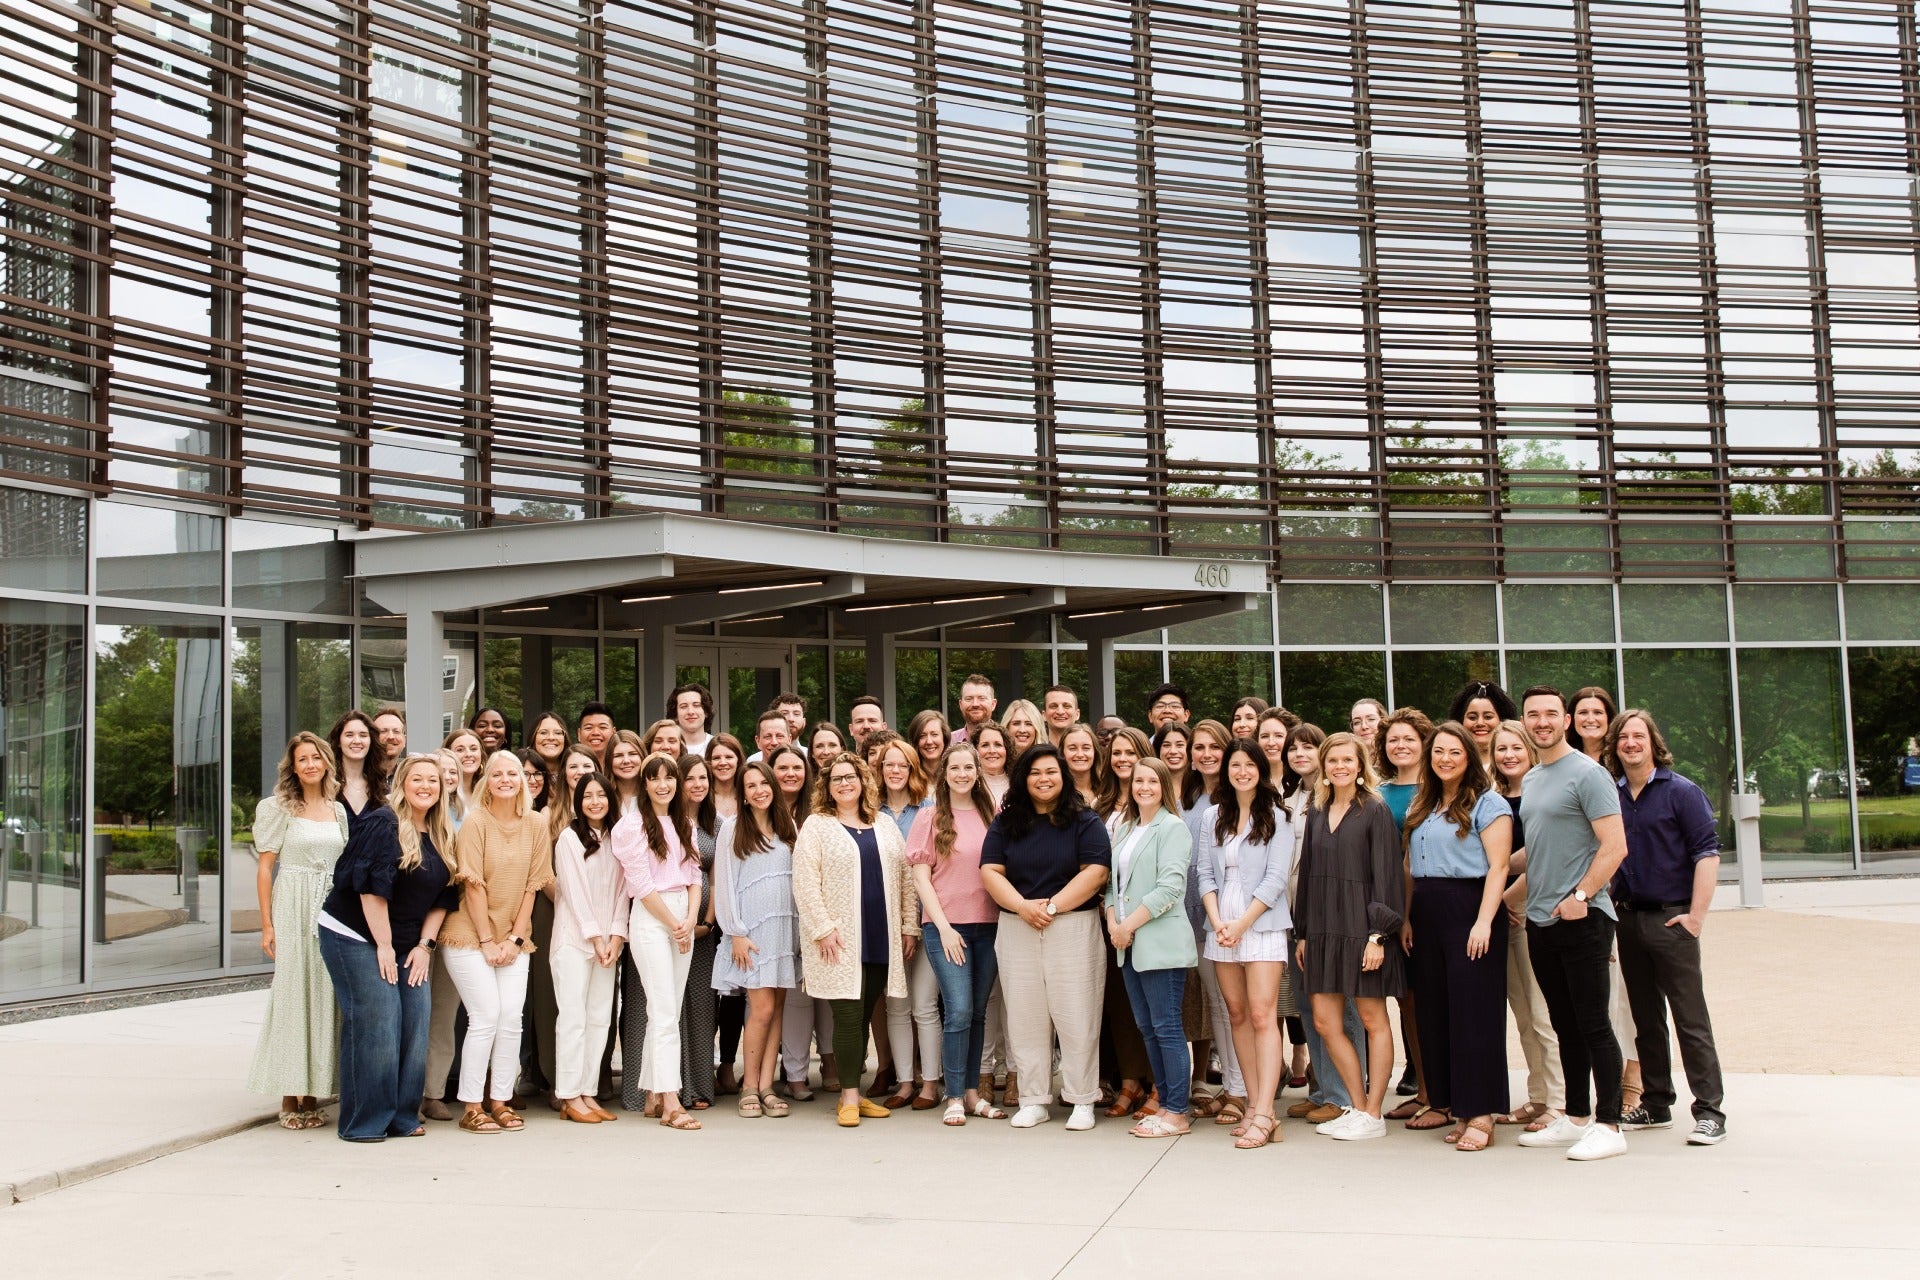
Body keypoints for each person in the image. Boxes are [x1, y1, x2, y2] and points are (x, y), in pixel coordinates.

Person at [1510, 686, 1631, 1161]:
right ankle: (1575, 1118)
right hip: (1540, 920)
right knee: (1564, 1024)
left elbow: (1615, 846)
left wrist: (1581, 895)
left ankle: (1610, 1124)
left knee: (1594, 1024)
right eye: (1532, 714)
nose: (1541, 721)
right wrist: (1493, 868)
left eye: (1550, 714)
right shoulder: (1537, 777)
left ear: (1565, 720)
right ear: (1524, 721)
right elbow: (1537, 850)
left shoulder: (1589, 774)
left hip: (1582, 918)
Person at [317, 753, 459, 1141]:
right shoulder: (383, 822)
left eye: (434, 779)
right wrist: (382, 946)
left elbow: (443, 899)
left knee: (415, 1021)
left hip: (408, 941)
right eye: (418, 779)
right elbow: (370, 889)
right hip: (355, 933)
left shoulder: (443, 833)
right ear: (402, 783)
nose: (426, 785)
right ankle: (364, 1122)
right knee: (379, 1019)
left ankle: (401, 1115)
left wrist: (424, 947)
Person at [1606, 709, 1727, 1146]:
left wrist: (1695, 918)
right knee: (1645, 1019)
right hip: (1628, 918)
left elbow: (1707, 855)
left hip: (1672, 919)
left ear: (1653, 743)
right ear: (1615, 746)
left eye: (1638, 736)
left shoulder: (1682, 792)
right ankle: (1657, 1104)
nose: (1631, 744)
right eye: (1623, 738)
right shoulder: (1612, 795)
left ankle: (1710, 1111)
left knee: (1689, 1018)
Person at [980, 744, 1112, 1131]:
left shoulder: (1084, 820)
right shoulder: (1006, 821)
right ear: (1023, 778)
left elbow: (1096, 872)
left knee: (1077, 1014)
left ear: (1063, 775)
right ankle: (1034, 1097)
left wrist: (1051, 907)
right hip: (1017, 925)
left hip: (1071, 926)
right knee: (1025, 1016)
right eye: (1035, 772)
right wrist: (1023, 907)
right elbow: (990, 871)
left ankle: (1082, 1098)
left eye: (1051, 772)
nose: (1043, 779)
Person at [792, 753, 920, 1127]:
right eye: (836, 780)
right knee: (847, 1015)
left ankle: (855, 1093)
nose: (845, 784)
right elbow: (804, 882)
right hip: (839, 939)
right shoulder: (817, 825)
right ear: (827, 788)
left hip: (881, 935)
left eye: (851, 777)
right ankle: (849, 1098)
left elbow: (906, 878)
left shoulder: (883, 823)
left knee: (864, 1014)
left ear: (864, 781)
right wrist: (822, 928)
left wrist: (909, 926)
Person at [1403, 722, 1513, 1152]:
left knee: (1474, 1014)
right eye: (1438, 752)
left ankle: (1482, 1113)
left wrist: (1484, 921)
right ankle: (1459, 1107)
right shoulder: (1424, 803)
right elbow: (1410, 867)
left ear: (1469, 756)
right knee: (1437, 1012)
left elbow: (1500, 868)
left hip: (1470, 909)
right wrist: (1408, 918)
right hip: (1427, 912)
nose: (1445, 759)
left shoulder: (1490, 804)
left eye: (1454, 752)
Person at [1293, 732, 1404, 1141]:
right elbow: (1306, 877)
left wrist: (1378, 935)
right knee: (1324, 1022)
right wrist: (1302, 933)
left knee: (1374, 1020)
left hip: (1362, 931)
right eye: (1333, 760)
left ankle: (1374, 1112)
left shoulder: (1374, 809)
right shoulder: (1317, 811)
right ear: (1324, 766)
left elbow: (1388, 877)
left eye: (1347, 760)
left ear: (1360, 765)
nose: (1340, 766)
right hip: (1322, 930)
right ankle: (1357, 1106)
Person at [442, 750, 554, 1133]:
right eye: (497, 774)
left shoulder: (536, 824)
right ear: (487, 780)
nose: (505, 779)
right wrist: (489, 940)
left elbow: (532, 886)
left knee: (511, 1020)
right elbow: (472, 883)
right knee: (486, 1015)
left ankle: (500, 1101)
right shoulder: (475, 823)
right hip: (468, 934)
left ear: (522, 781)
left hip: (513, 936)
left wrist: (516, 938)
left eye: (513, 774)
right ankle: (472, 1106)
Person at [1195, 740, 1294, 1150]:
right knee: (1235, 1013)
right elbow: (1204, 874)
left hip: (1262, 923)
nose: (1241, 772)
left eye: (1248, 765)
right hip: (1221, 925)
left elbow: (1275, 879)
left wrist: (1242, 923)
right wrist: (1219, 921)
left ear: (1260, 769)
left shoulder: (1279, 815)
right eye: (1234, 765)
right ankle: (1253, 1105)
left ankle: (1267, 1112)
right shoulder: (1212, 816)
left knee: (1261, 1014)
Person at [249, 731, 350, 1129]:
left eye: (315, 757)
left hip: (329, 908)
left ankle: (315, 1089)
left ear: (326, 762)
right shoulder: (277, 808)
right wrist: (266, 924)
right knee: (294, 993)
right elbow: (264, 868)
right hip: (292, 904)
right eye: (302, 759)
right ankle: (290, 1094)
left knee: (325, 994)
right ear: (292, 767)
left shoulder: (338, 810)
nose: (310, 764)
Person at [906, 743, 1006, 1126]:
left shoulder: (992, 814)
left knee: (978, 1012)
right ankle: (952, 1095)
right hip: (947, 928)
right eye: (956, 768)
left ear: (978, 772)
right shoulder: (930, 817)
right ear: (944, 774)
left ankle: (971, 1094)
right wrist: (944, 927)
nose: (963, 774)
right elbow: (921, 878)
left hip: (990, 925)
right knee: (958, 1009)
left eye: (969, 767)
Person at [1106, 757, 1197, 1138]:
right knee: (1147, 1027)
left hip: (1159, 942)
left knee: (1166, 1027)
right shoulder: (1126, 829)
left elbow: (1171, 888)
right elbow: (1112, 885)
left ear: (1164, 787)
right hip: (1127, 943)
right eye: (1138, 780)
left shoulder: (1172, 828)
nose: (1144, 787)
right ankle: (1163, 1105)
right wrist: (1113, 921)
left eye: (1152, 781)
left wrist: (1127, 925)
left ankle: (1177, 1110)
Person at [612, 752, 704, 1130]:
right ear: (645, 783)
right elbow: (641, 885)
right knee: (664, 1010)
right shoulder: (630, 826)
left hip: (683, 913)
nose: (663, 784)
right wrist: (673, 923)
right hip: (652, 918)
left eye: (670, 778)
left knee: (668, 1008)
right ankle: (671, 1102)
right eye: (655, 778)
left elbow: (695, 874)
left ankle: (652, 1093)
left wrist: (690, 919)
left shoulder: (684, 822)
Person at [712, 760, 800, 1118]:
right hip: (752, 932)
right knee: (760, 1008)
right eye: (751, 786)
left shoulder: (787, 825)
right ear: (743, 795)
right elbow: (725, 885)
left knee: (778, 1008)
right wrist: (734, 931)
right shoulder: (733, 829)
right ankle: (748, 1085)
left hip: (783, 929)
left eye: (764, 784)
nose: (759, 790)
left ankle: (766, 1085)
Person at [1490, 721, 1565, 1131]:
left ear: (1529, 749)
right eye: (1501, 749)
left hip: (1531, 913)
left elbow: (1543, 855)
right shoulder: (1494, 798)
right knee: (1522, 1013)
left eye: (1515, 747)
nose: (1508, 755)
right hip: (1506, 917)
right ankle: (1537, 1096)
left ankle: (1559, 1100)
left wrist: (1504, 901)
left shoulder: (1541, 794)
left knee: (1542, 1013)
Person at [548, 771, 627, 1125]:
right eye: (587, 796)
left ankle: (588, 1091)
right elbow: (574, 892)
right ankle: (568, 1094)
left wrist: (616, 936)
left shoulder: (619, 837)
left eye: (601, 795)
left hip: (608, 943)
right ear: (578, 801)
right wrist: (595, 936)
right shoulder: (568, 837)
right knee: (574, 1018)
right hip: (574, 940)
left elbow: (624, 890)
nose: (595, 801)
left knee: (599, 1018)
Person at [766, 742, 836, 1098]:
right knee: (795, 995)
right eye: (782, 768)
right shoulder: (761, 811)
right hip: (778, 914)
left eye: (797, 768)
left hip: (819, 911)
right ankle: (794, 1073)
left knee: (826, 992)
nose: (790, 774)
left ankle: (831, 1062)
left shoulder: (821, 812)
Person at [1094, 726, 1155, 1119]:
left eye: (1130, 752)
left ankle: (1156, 1084)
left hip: (1148, 918)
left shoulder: (1154, 804)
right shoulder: (1100, 807)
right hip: (1108, 917)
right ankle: (1129, 1081)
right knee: (1118, 1003)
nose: (1122, 759)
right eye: (1116, 753)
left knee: (1150, 1004)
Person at [874, 736, 938, 1109]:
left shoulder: (928, 809)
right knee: (896, 1005)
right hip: (883, 922)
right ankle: (903, 1083)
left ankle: (930, 1083)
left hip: (924, 919)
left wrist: (913, 925)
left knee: (925, 1005)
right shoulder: (871, 812)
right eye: (888, 765)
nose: (895, 771)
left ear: (913, 770)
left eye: (902, 765)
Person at [1376, 706, 1433, 1122]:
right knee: (1407, 1001)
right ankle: (1426, 1089)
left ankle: (1441, 1092)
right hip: (1392, 906)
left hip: (1429, 903)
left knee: (1433, 1001)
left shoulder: (1437, 787)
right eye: (1393, 739)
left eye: (1409, 739)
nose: (1400, 745)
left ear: (1424, 743)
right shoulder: (1379, 792)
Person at [330, 710, 387, 833]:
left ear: (371, 741)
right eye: (349, 735)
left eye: (363, 735)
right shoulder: (326, 785)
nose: (357, 741)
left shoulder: (380, 789)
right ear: (339, 741)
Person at [1448, 680, 1519, 771]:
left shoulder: (1515, 766)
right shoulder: (1450, 767)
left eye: (1488, 717)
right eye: (1472, 717)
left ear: (1502, 720)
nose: (1480, 723)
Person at [1151, 720, 1193, 811]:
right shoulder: (1151, 787)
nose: (1173, 751)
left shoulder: (1201, 786)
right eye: (1166, 745)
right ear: (1158, 750)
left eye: (1180, 745)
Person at [1570, 686, 1619, 763]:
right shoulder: (1563, 758)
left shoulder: (1621, 757)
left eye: (1598, 712)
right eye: (1583, 712)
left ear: (1609, 718)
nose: (1590, 719)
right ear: (1571, 718)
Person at [707, 733, 745, 823]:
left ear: (738, 760)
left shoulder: (747, 796)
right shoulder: (702, 798)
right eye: (716, 758)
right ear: (709, 762)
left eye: (729, 757)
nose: (723, 762)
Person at [1061, 722, 1102, 805]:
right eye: (1072, 748)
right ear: (1062, 753)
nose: (1080, 754)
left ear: (1095, 752)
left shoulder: (1109, 791)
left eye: (1086, 748)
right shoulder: (1056, 793)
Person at [973, 721, 1012, 806]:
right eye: (985, 745)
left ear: (1007, 749)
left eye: (998, 745)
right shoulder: (969, 784)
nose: (992, 751)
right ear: (975, 750)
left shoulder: (1018, 783)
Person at [671, 681, 714, 756]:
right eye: (683, 706)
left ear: (706, 712)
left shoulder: (718, 746)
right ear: (675, 715)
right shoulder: (668, 748)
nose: (690, 712)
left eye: (696, 705)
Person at [608, 729, 646, 814]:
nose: (626, 761)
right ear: (609, 760)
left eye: (632, 754)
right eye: (618, 756)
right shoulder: (603, 796)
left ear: (642, 756)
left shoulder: (654, 794)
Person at [525, 712, 569, 784]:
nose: (551, 737)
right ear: (533, 737)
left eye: (558, 733)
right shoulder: (519, 773)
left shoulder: (575, 774)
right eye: (543, 732)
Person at [953, 673, 998, 742]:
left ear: (993, 704)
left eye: (981, 698)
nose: (975, 704)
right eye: (969, 699)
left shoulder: (1005, 740)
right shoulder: (949, 742)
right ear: (961, 705)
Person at [1256, 708, 1291, 792]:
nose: (1271, 743)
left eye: (1279, 736)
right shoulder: (1249, 779)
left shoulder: (1302, 781)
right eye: (1264, 736)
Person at [907, 708, 951, 774]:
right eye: (922, 736)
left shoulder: (955, 773)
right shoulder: (908, 774)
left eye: (934, 734)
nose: (929, 741)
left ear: (944, 738)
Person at [576, 701, 616, 771]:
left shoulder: (623, 768)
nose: (595, 733)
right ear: (579, 734)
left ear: (614, 732)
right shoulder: (571, 772)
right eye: (588, 728)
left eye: (602, 727)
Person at [371, 706, 408, 776]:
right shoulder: (358, 776)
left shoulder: (407, 777)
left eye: (396, 731)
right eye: (383, 731)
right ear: (372, 738)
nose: (391, 737)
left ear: (404, 741)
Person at [1348, 698, 1387, 763]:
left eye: (1371, 719)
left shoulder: (1396, 760)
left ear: (1384, 721)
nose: (1364, 726)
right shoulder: (1347, 763)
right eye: (1357, 722)